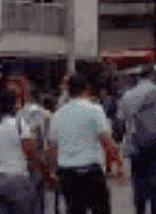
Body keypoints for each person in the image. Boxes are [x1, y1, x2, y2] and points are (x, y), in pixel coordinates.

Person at [46, 76, 123, 214]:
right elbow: (106, 140)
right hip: (91, 171)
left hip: (67, 172)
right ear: (87, 89)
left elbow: (51, 147)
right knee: (100, 209)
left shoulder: (58, 114)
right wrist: (119, 164)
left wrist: (52, 171)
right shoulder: (95, 110)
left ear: (68, 91)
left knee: (74, 209)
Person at [0, 89, 42, 214]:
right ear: (14, 105)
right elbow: (31, 151)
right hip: (16, 178)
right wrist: (41, 170)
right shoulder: (19, 124)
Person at [116, 68, 156, 214]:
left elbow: (120, 121)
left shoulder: (127, 94)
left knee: (138, 182)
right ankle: (155, 210)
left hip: (134, 143)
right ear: (152, 75)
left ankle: (140, 210)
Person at [14, 84, 51, 214]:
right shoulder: (46, 114)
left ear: (28, 98)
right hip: (41, 155)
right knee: (39, 191)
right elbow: (49, 137)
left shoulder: (19, 114)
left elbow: (17, 134)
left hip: (24, 156)